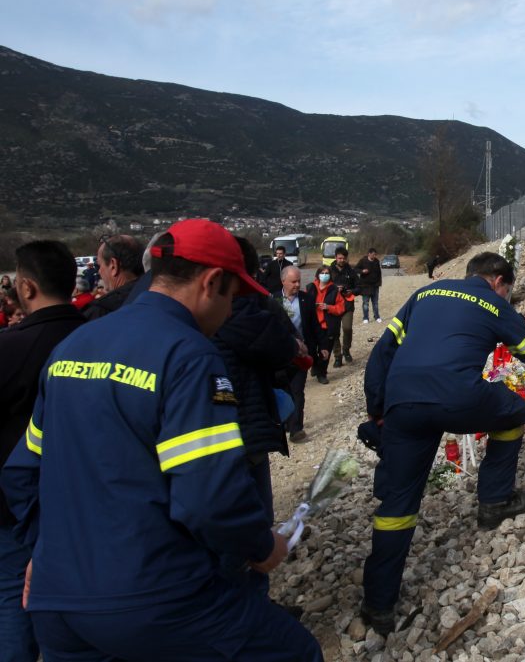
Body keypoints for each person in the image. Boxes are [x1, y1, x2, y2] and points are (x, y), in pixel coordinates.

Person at [0, 219, 322, 661]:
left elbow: (21, 473)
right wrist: (263, 547)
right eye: (232, 297)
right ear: (211, 283)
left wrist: (44, 550)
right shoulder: (188, 355)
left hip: (59, 605)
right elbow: (208, 496)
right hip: (154, 596)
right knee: (297, 651)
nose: (230, 312)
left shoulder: (74, 346)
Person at [359, 251, 525, 635]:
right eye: (509, 292)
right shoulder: (493, 304)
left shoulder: (426, 294)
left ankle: (378, 603)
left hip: (403, 403)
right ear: (498, 282)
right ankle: (495, 500)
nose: (507, 298)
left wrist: (377, 408)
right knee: (516, 412)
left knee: (398, 505)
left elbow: (383, 351)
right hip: (458, 398)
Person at [0, 241, 85, 662]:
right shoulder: (95, 338)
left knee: (13, 600)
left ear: (27, 287)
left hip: (15, 506)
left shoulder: (10, 347)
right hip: (86, 500)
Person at [210, 237, 298, 596]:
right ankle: (244, 614)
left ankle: (251, 608)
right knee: (244, 532)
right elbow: (282, 346)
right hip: (240, 435)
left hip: (240, 429)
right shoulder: (241, 311)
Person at [275, 266, 316, 443]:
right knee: (283, 390)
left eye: (299, 281)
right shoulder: (272, 300)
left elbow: (314, 326)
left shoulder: (307, 299)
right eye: (293, 281)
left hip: (300, 354)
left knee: (297, 391)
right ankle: (284, 422)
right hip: (279, 355)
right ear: (283, 281)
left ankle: (296, 429)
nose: (297, 284)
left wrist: (320, 347)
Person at [83, 234, 144, 320]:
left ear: (113, 266)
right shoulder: (159, 298)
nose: (99, 271)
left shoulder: (101, 312)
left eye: (100, 265)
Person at [306, 265, 344, 385]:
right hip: (312, 325)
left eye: (327, 273)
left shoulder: (334, 289)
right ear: (318, 274)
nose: (324, 275)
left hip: (328, 326)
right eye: (322, 272)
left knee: (325, 352)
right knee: (311, 350)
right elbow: (304, 303)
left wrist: (329, 307)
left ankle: (322, 373)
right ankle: (315, 366)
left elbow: (341, 308)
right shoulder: (310, 287)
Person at [328, 248, 359, 367]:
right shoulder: (329, 270)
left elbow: (359, 286)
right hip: (333, 305)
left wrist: (352, 291)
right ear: (335, 257)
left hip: (347, 305)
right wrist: (335, 289)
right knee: (335, 332)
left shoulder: (351, 271)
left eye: (344, 258)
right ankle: (337, 356)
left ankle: (346, 350)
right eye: (339, 258)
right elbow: (323, 286)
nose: (342, 260)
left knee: (347, 328)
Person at [356, 248, 383, 324]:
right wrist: (362, 271)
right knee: (365, 303)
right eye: (373, 254)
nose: (374, 256)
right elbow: (355, 269)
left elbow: (379, 273)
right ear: (369, 254)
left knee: (375, 302)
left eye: (375, 254)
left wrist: (379, 282)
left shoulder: (376, 261)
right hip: (365, 286)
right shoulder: (363, 261)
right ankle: (365, 317)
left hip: (375, 286)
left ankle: (377, 316)